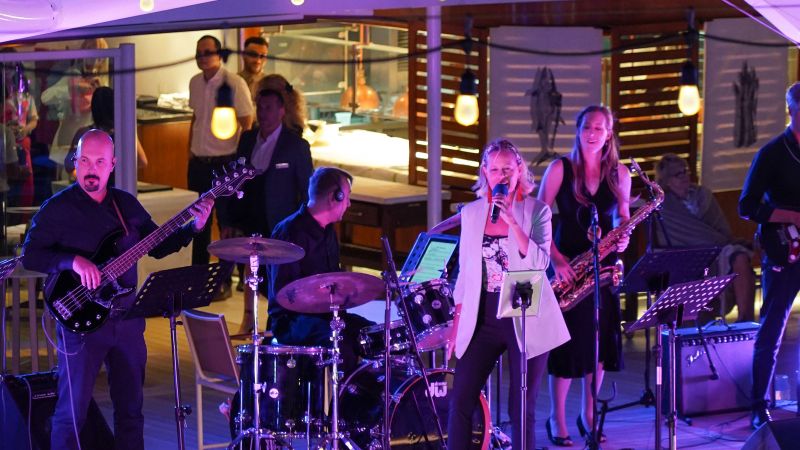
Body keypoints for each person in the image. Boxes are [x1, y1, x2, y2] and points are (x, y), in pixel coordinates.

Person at [20, 129, 213, 450]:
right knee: (71, 414)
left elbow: (158, 244)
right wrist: (73, 262)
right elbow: (31, 255)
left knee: (131, 411)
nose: (91, 169)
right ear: (74, 162)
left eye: (99, 162)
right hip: (80, 322)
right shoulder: (57, 209)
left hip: (126, 319)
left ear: (112, 165)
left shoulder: (126, 205)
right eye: (84, 160)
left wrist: (194, 227)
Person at [444, 138, 570, 450]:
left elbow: (540, 264)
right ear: (484, 173)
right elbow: (464, 275)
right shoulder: (472, 213)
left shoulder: (537, 211)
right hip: (483, 312)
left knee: (520, 406)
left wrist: (513, 222)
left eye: (508, 170)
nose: (501, 176)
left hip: (524, 305)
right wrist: (456, 326)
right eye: (495, 170)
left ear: (519, 171)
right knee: (460, 398)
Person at [537, 105, 631, 446]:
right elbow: (538, 218)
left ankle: (588, 415)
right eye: (587, 127)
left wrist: (623, 233)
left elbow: (622, 214)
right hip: (567, 265)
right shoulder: (560, 169)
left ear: (609, 134)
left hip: (602, 266)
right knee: (567, 346)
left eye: (599, 128)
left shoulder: (619, 173)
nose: (592, 133)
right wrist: (556, 260)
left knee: (599, 345)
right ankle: (557, 418)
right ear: (578, 130)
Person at [219, 87, 313, 333]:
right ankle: (248, 320)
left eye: (268, 108)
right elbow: (234, 179)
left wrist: (305, 225)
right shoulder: (248, 139)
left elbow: (306, 189)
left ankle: (276, 323)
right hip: (250, 215)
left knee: (277, 275)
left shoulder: (295, 146)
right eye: (260, 107)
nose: (263, 113)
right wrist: (227, 219)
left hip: (279, 220)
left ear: (281, 111)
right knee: (250, 268)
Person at [267, 167, 372, 374]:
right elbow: (285, 295)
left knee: (373, 335)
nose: (349, 204)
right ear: (335, 197)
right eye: (347, 197)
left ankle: (368, 393)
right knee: (341, 345)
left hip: (327, 317)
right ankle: (337, 394)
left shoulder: (328, 231)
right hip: (292, 321)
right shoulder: (289, 232)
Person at [739, 82, 800, 429]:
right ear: (791, 111)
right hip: (784, 247)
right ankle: (758, 405)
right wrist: (791, 216)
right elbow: (747, 205)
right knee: (773, 327)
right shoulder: (772, 153)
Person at [655, 153, 755, 323]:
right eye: (678, 174)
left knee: (740, 258)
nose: (685, 176)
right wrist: (705, 242)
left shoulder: (703, 195)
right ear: (667, 181)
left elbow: (722, 230)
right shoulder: (663, 206)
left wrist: (714, 243)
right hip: (686, 257)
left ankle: (745, 320)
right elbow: (666, 240)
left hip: (716, 252)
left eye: (685, 171)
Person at [188, 34, 253, 271]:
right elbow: (195, 118)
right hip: (199, 161)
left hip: (225, 162)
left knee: (226, 222)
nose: (202, 57)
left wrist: (240, 160)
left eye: (207, 52)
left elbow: (247, 122)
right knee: (197, 221)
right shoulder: (195, 82)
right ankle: (198, 274)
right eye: (199, 53)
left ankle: (225, 276)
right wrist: (190, 152)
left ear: (219, 54)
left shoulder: (234, 83)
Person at [41, 38, 108, 178]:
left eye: (99, 53)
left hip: (91, 142)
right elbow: (45, 98)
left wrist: (100, 91)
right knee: (66, 181)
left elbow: (108, 112)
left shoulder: (104, 80)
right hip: (68, 139)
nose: (94, 58)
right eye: (90, 50)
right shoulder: (73, 75)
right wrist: (71, 89)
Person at [64, 86, 149, 177]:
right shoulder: (124, 133)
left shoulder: (85, 133)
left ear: (94, 108)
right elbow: (142, 162)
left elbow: (71, 167)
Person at [238, 36, 269, 103]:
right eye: (253, 55)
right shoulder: (233, 82)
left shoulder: (271, 85)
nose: (258, 61)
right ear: (243, 55)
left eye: (262, 56)